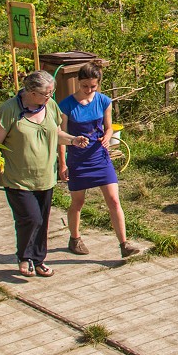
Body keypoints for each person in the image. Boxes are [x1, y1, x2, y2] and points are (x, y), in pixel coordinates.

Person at [0, 71, 88, 278]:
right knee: (31, 219)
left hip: (44, 177)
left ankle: (39, 260)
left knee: (42, 219)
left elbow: (55, 133)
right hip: (17, 177)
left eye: (52, 92)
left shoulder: (49, 106)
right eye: (46, 93)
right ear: (31, 92)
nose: (50, 97)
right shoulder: (8, 110)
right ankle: (25, 257)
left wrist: (72, 140)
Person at [59, 64, 137, 259]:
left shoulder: (104, 101)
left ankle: (123, 243)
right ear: (79, 82)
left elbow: (109, 127)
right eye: (85, 86)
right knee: (78, 201)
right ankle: (74, 238)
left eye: (93, 86)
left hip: (100, 157)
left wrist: (107, 136)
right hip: (78, 159)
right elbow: (60, 136)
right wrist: (63, 163)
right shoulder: (66, 105)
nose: (89, 90)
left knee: (113, 199)